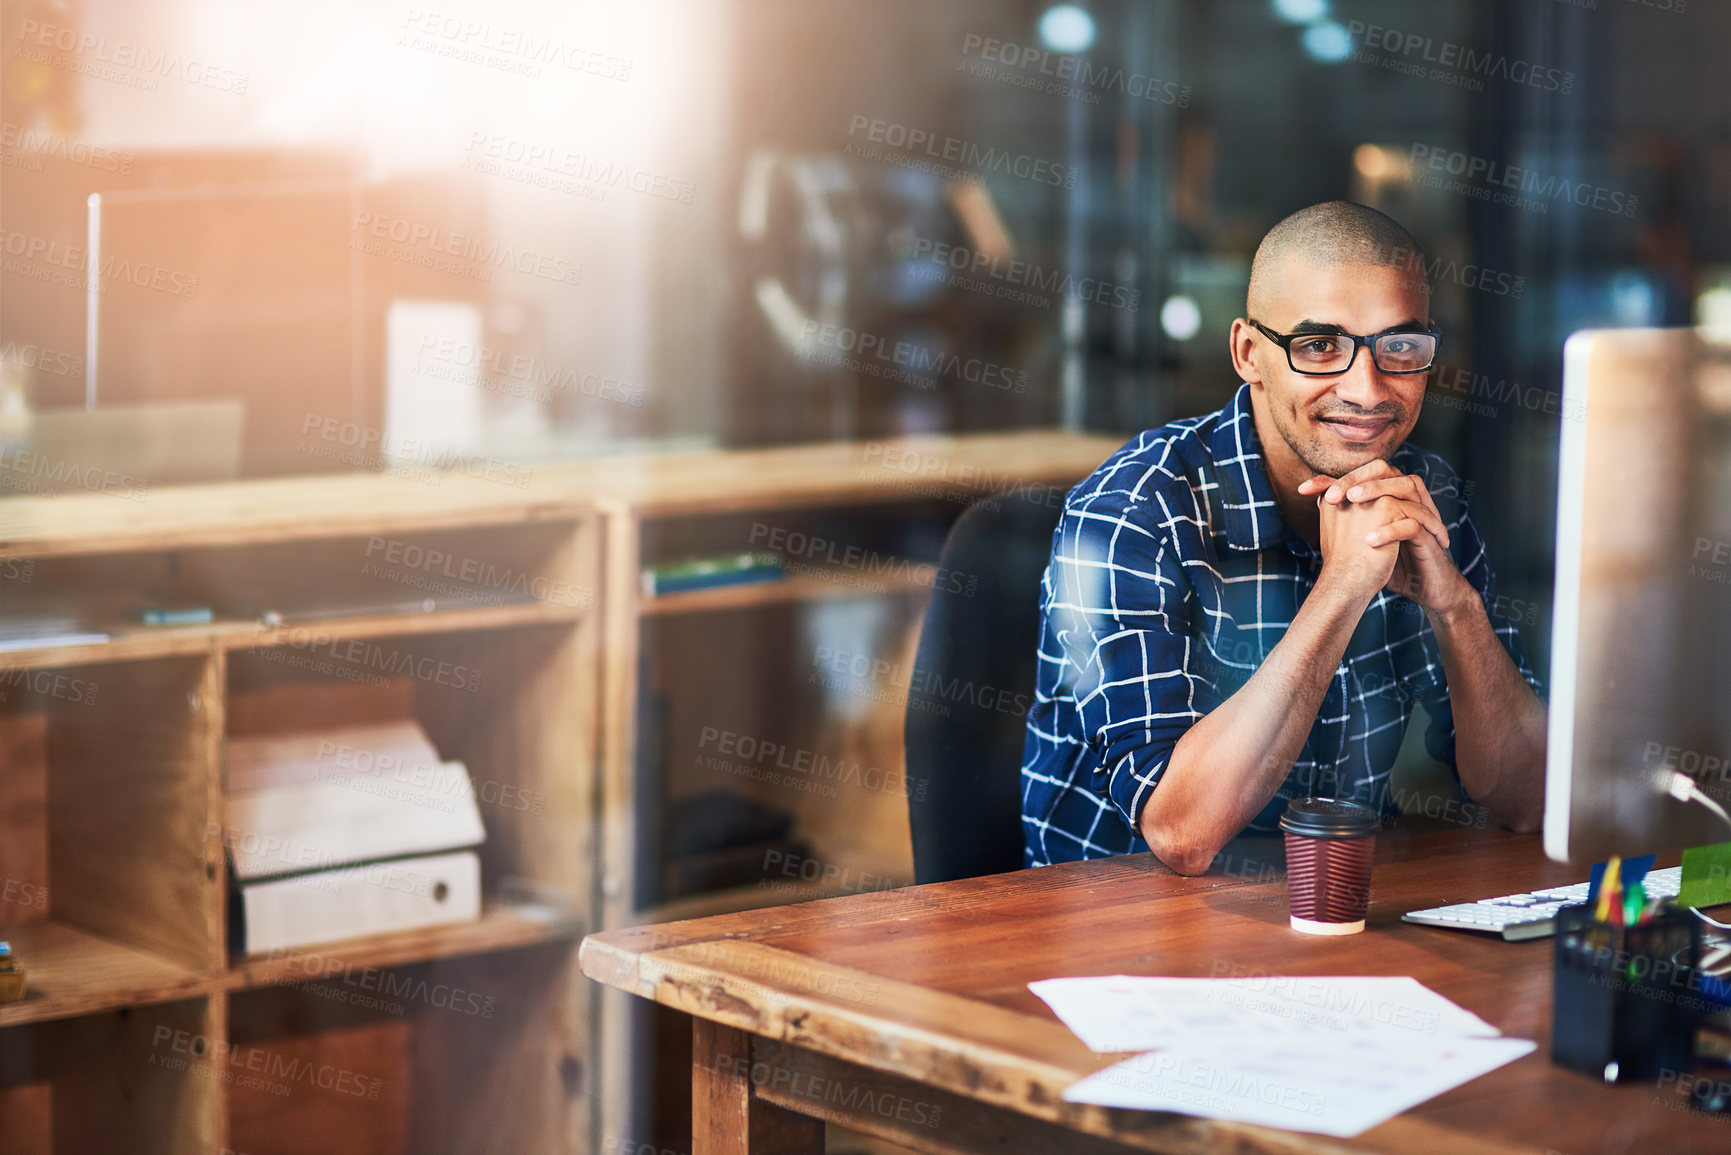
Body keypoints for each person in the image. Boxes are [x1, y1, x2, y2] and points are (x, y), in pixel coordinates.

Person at [1020, 201, 1547, 874]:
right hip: (1121, 938)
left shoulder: (1422, 497)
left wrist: (1455, 606)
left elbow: (1529, 798)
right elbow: (1182, 831)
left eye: (1400, 347)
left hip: (1337, 917)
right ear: (1249, 353)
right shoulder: (1137, 508)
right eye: (1319, 346)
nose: (1365, 387)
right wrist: (1342, 587)